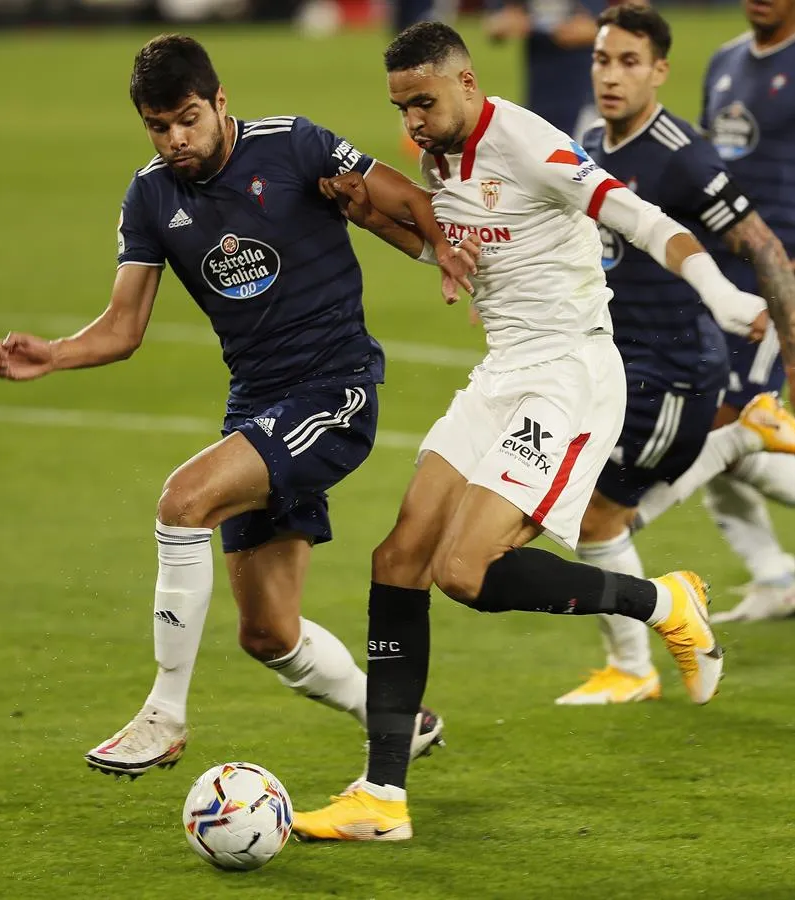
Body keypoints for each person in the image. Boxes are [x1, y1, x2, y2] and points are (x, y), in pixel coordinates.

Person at [290, 21, 789, 842]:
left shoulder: (525, 140)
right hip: (503, 371)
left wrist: (716, 290)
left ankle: (661, 601)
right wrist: (371, 220)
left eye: (423, 101)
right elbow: (460, 252)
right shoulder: (437, 155)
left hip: (568, 376)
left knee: (464, 570)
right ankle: (381, 797)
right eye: (400, 106)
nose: (411, 121)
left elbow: (634, 215)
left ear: (467, 84)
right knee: (398, 558)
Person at [0, 34, 479, 778]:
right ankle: (397, 718)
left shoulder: (295, 145)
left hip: (332, 391)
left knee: (182, 500)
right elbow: (123, 329)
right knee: (268, 633)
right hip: (256, 404)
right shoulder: (150, 194)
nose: (176, 140)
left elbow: (407, 198)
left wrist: (444, 250)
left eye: (188, 118)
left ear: (220, 102)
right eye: (158, 126)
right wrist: (54, 353)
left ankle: (164, 714)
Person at [554, 5, 795, 705]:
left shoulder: (679, 152)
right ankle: (768, 571)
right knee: (603, 508)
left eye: (628, 62)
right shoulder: (591, 136)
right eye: (602, 59)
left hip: (687, 350)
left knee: (597, 517)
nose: (610, 75)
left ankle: (634, 664)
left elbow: (755, 240)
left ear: (657, 70)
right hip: (628, 350)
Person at [627, 0, 795, 623]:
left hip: (782, 273)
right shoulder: (725, 60)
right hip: (722, 277)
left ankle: (628, 525)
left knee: (733, 423)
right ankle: (773, 574)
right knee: (716, 424)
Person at [484, 0, 609, 139]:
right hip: (540, 91)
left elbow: (613, 21)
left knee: (584, 151)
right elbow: (496, 24)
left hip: (584, 91)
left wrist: (591, 29)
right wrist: (511, 21)